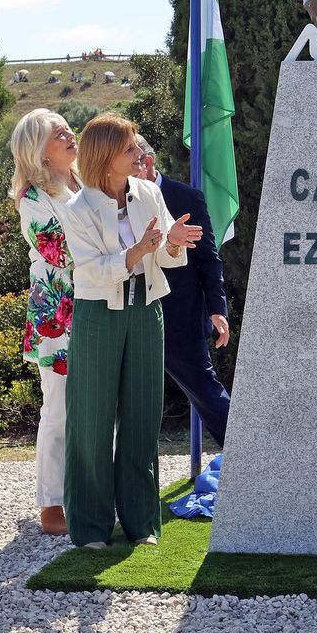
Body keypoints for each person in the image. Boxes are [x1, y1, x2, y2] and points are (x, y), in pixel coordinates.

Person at [59, 113, 203, 548]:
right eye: (130, 149)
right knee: (92, 419)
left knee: (143, 416)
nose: (140, 154)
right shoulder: (77, 208)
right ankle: (89, 528)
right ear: (105, 157)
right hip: (98, 312)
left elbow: (166, 259)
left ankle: (142, 523)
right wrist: (137, 250)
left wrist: (174, 241)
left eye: (137, 146)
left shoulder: (148, 193)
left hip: (146, 309)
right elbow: (88, 271)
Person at [133, 136, 233, 447]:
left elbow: (207, 258)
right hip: (131, 312)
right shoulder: (117, 199)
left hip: (180, 317)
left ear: (148, 164)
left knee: (205, 391)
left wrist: (218, 309)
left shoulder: (186, 198)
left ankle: (250, 457)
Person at [9, 109, 81, 536]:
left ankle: (90, 494)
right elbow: (64, 253)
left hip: (97, 302)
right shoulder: (33, 198)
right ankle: (52, 506)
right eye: (60, 133)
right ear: (39, 151)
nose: (71, 135)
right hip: (57, 311)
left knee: (95, 407)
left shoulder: (86, 183)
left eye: (68, 128)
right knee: (58, 408)